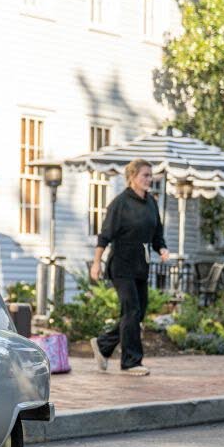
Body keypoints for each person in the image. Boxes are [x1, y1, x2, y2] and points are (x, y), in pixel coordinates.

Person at [89, 158, 169, 376]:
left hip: (141, 265)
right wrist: (96, 263)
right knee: (131, 310)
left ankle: (104, 344)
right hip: (122, 265)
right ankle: (131, 362)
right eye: (145, 175)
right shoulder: (120, 203)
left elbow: (157, 233)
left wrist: (162, 249)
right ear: (132, 177)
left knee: (138, 313)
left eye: (150, 175)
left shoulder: (151, 203)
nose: (149, 179)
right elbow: (104, 236)